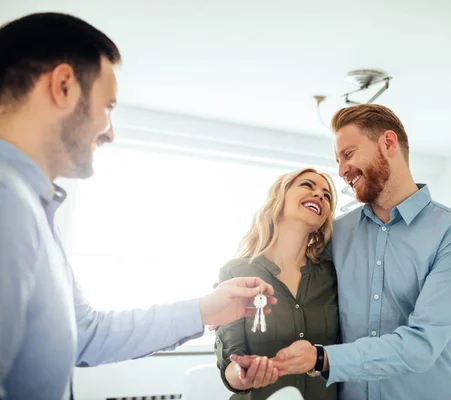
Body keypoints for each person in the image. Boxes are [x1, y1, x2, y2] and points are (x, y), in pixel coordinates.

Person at [0, 12, 275, 400]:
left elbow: (86, 335)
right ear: (63, 86)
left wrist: (206, 309)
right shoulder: (7, 202)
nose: (110, 131)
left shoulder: (32, 207)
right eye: (108, 106)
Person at [235, 104, 451, 400]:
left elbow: (422, 344)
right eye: (338, 161)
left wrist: (321, 359)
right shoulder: (337, 233)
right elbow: (293, 274)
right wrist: (236, 288)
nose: (341, 172)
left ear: (388, 143)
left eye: (348, 155)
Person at [214, 168, 339, 400]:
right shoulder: (235, 272)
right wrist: (244, 373)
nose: (320, 195)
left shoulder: (333, 275)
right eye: (308, 185)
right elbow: (230, 362)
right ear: (280, 198)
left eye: (327, 195)